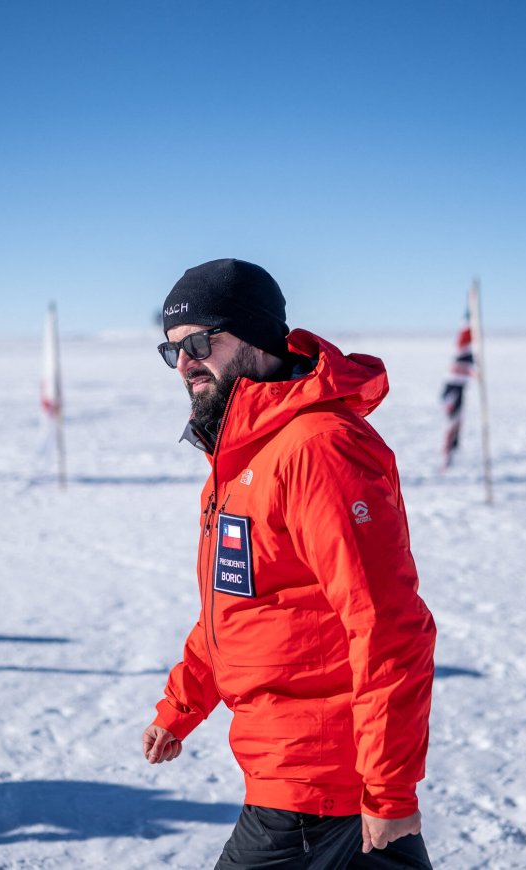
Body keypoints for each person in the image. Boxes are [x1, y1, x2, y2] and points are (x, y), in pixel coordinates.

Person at [142, 258, 437, 869]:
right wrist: (182, 704)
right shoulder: (245, 453)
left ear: (254, 335)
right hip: (307, 776)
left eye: (200, 342)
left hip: (315, 779)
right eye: (173, 352)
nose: (187, 363)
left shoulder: (317, 448)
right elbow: (241, 603)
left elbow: (386, 624)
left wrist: (387, 787)